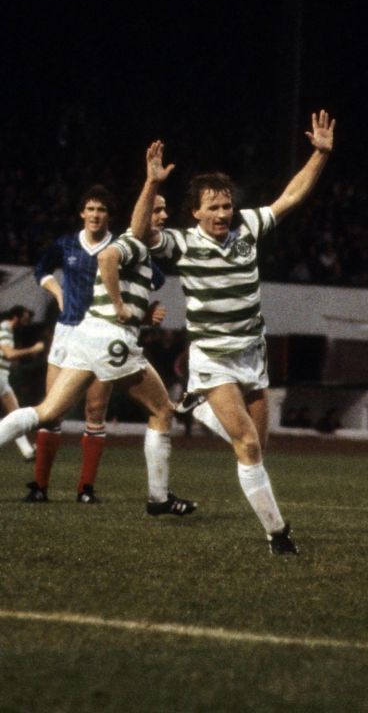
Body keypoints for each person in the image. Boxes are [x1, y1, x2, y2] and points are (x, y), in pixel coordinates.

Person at [136, 110, 335, 555]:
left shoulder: (248, 226)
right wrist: (151, 184)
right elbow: (139, 233)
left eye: (227, 206)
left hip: (252, 354)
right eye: (214, 207)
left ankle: (199, 412)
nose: (223, 214)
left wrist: (320, 155)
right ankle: (278, 534)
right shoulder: (182, 243)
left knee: (258, 446)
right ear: (196, 212)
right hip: (214, 359)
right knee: (246, 444)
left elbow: (290, 196)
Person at [2, 143, 195, 515]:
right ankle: (159, 499)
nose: (163, 215)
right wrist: (121, 307)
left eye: (164, 210)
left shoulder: (140, 249)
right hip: (109, 339)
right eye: (157, 209)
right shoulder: (133, 243)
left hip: (88, 334)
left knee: (47, 412)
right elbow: (107, 257)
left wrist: (139, 312)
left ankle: (95, 488)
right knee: (161, 411)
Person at [29, 185, 118, 503]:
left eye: (101, 209)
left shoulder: (120, 247)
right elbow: (41, 269)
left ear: (109, 215)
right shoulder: (66, 243)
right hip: (68, 331)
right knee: (50, 412)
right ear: (82, 213)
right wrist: (58, 292)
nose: (95, 214)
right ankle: (40, 487)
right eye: (90, 209)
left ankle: (85, 489)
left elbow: (153, 278)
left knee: (95, 410)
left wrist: (147, 309)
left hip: (104, 334)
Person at [0, 306, 47, 461]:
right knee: (15, 414)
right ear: (16, 317)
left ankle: (27, 451)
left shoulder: (8, 330)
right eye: (25, 318)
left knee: (15, 413)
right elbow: (9, 354)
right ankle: (28, 451)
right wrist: (33, 349)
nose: (26, 322)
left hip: (2, 377)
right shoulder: (4, 328)